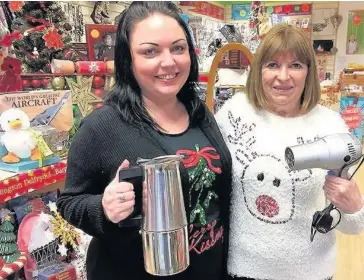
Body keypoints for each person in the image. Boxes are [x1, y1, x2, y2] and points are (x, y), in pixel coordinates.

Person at [57, 2, 232, 280]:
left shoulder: (200, 113)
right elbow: (69, 202)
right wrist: (104, 208)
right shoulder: (102, 127)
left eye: (178, 48)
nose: (168, 62)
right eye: (150, 51)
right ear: (128, 59)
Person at [215, 23, 364, 280]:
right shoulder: (233, 114)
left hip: (311, 272)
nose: (283, 77)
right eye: (272, 65)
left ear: (309, 72)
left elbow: (351, 225)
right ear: (259, 70)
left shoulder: (330, 126)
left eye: (295, 65)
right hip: (243, 269)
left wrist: (354, 207)